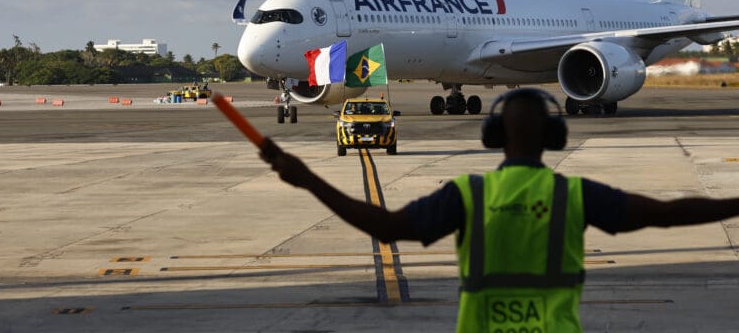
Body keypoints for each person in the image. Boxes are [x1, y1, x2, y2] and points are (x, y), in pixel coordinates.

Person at [260, 88, 739, 332]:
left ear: (493, 136)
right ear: (555, 139)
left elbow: (383, 226)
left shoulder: (466, 195)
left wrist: (308, 179)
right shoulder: (576, 196)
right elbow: (667, 213)